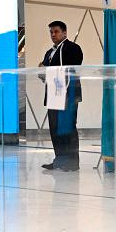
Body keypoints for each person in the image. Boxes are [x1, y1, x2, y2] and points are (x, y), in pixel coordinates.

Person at [40, 20, 83, 171]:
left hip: (68, 93)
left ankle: (72, 162)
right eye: (51, 32)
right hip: (53, 94)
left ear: (64, 32)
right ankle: (60, 159)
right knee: (54, 128)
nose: (53, 34)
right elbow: (43, 69)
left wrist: (47, 69)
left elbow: (72, 68)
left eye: (56, 31)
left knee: (68, 127)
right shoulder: (49, 52)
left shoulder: (73, 48)